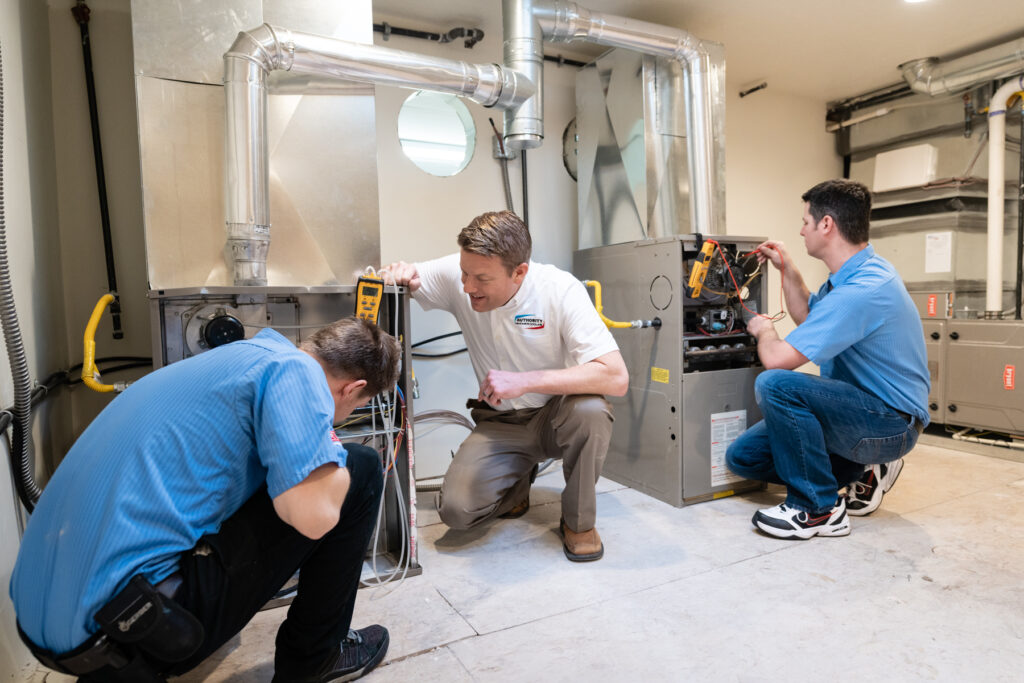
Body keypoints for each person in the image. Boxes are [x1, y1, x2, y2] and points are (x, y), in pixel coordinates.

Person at [10, 317, 401, 682]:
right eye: (354, 408)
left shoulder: (245, 355)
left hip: (42, 618)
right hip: (128, 629)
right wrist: (329, 448)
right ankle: (315, 660)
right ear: (354, 389)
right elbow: (313, 517)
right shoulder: (298, 374)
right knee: (361, 466)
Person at [385, 210, 628, 562]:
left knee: (591, 411)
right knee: (456, 511)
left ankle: (578, 523)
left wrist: (525, 381)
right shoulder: (462, 274)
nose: (467, 286)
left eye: (481, 278)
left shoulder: (560, 290)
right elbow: (398, 275)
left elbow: (615, 376)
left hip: (556, 414)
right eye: (464, 273)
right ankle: (516, 487)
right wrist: (395, 273)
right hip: (501, 422)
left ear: (519, 272)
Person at [725, 179, 929, 540]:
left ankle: (816, 509)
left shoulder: (863, 290)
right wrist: (787, 266)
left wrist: (763, 329)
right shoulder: (852, 277)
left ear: (826, 225)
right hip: (858, 411)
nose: (801, 230)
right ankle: (864, 469)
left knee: (776, 385)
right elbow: (808, 315)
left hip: (889, 422)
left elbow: (776, 360)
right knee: (744, 458)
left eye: (805, 221)